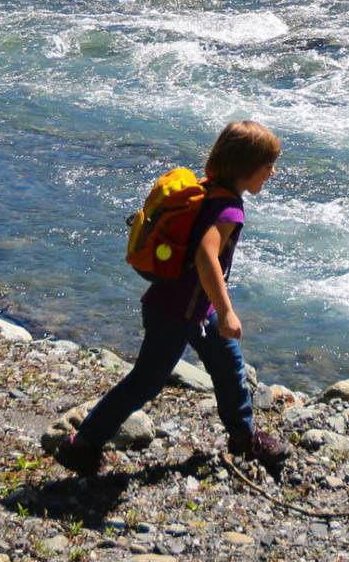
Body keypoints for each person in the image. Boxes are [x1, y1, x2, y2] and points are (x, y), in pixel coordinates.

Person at [56, 119, 292, 475]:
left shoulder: (207, 188)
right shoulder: (229, 209)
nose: (272, 173)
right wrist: (228, 311)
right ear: (247, 167)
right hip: (176, 313)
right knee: (145, 382)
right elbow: (204, 256)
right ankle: (83, 444)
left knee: (230, 368)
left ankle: (244, 437)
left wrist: (215, 309)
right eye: (267, 166)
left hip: (192, 307)